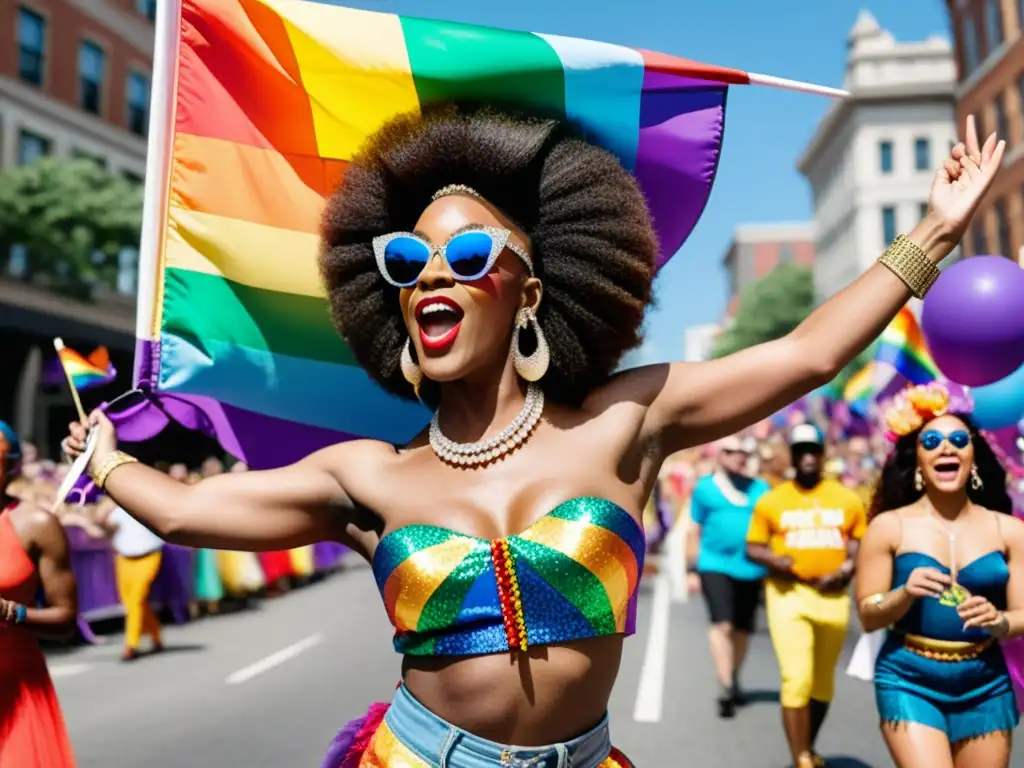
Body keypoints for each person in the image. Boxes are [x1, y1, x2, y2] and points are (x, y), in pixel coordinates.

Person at [64, 107, 1003, 767]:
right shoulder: (368, 477)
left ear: (530, 292)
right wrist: (102, 456)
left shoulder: (628, 424)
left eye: (469, 255)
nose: (432, 271)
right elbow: (185, 511)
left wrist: (934, 231)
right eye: (407, 259)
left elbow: (802, 354)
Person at [856, 383, 1023, 768]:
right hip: (908, 677)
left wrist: (999, 621)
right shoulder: (888, 527)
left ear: (973, 458)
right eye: (931, 441)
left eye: (957, 440)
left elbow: (1022, 614)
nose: (945, 448)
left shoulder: (1010, 530)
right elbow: (868, 614)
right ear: (916, 460)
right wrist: (904, 594)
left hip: (986, 680)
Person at [746, 424, 867, 768]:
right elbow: (754, 546)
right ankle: (800, 757)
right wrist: (775, 560)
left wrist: (847, 568)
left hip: (833, 598)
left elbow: (859, 540)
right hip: (789, 595)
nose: (808, 457)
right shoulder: (772, 500)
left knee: (822, 682)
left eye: (814, 450)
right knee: (796, 677)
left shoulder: (846, 498)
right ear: (793, 456)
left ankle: (808, 746)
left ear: (823, 454)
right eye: (802, 451)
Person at [0, 421, 78, 767]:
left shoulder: (36, 524)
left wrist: (10, 613)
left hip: (15, 685)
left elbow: (66, 620)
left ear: (12, 465)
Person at [688, 435, 769, 717]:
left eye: (743, 452)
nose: (738, 457)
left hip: (751, 567)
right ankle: (724, 683)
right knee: (722, 625)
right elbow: (693, 528)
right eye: (732, 451)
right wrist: (691, 569)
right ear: (720, 455)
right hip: (714, 564)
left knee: (742, 630)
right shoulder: (705, 488)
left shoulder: (761, 489)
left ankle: (733, 675)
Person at [95, 498, 165, 661]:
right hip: (125, 558)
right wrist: (103, 514)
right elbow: (107, 527)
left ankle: (131, 644)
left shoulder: (144, 500)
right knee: (132, 602)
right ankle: (156, 637)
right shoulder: (113, 506)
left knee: (136, 599)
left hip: (149, 555)